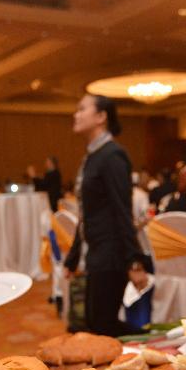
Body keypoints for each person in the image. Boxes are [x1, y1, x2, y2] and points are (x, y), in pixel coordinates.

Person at [64, 94, 142, 336]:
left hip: (112, 254)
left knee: (103, 325)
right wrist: (73, 257)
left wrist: (134, 261)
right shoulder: (92, 156)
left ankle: (156, 351)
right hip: (96, 253)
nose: (75, 115)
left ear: (100, 117)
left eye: (81, 109)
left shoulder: (112, 155)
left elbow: (122, 211)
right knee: (94, 323)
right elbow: (87, 212)